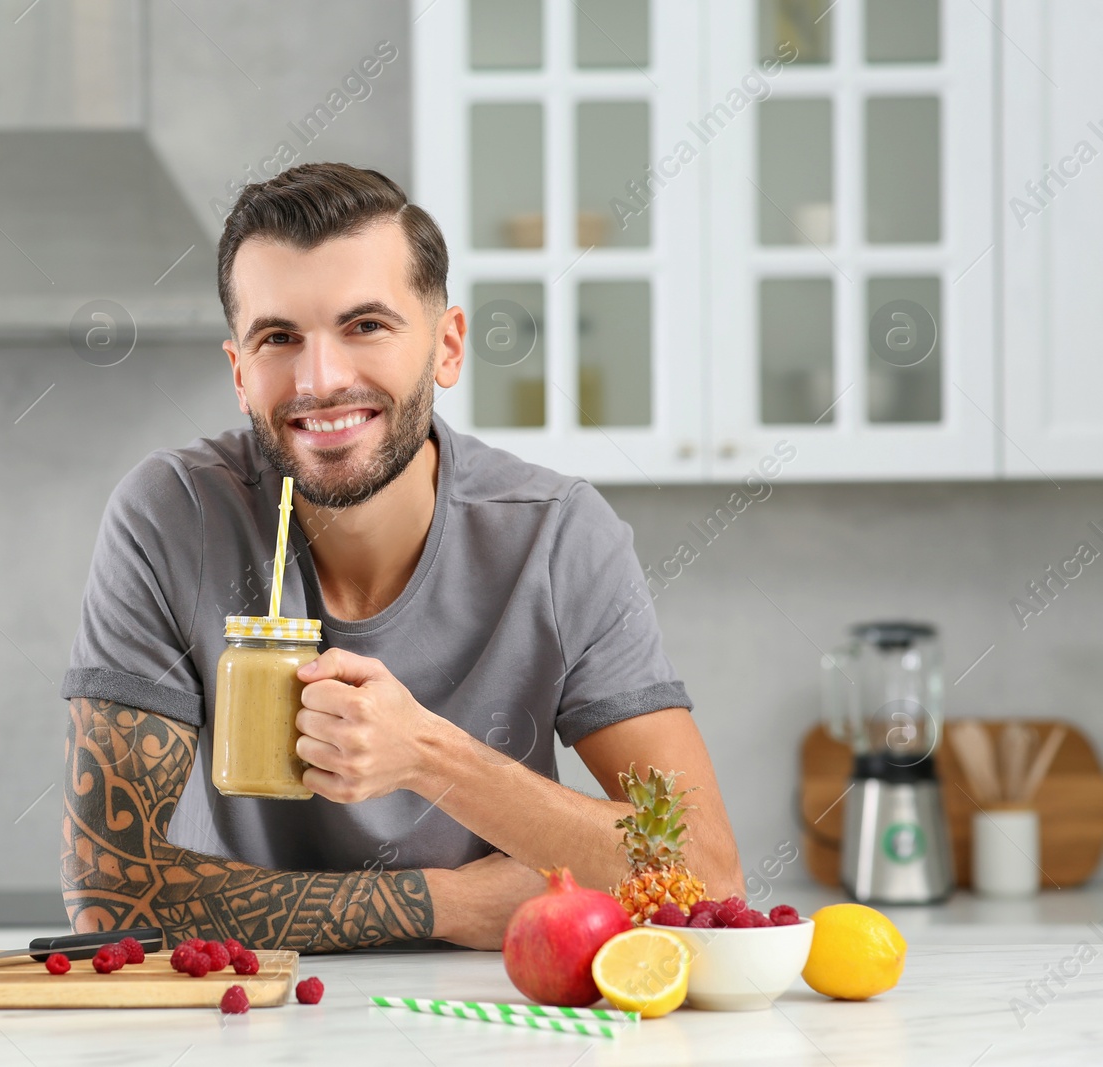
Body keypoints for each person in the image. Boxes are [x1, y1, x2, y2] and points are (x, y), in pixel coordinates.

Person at [60, 162, 743, 952]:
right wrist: (447, 904)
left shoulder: (558, 538)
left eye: (366, 326)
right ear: (240, 374)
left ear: (447, 346)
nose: (321, 379)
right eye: (279, 338)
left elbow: (706, 874)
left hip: (496, 1019)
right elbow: (109, 899)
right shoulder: (171, 518)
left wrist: (424, 752)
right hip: (241, 1016)